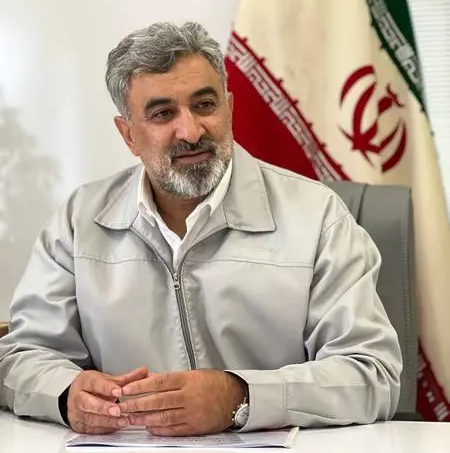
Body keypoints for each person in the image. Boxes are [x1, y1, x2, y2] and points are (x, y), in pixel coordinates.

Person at [0, 22, 402, 436]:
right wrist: (66, 394)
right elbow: (21, 357)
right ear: (128, 134)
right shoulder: (79, 221)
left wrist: (241, 398)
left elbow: (372, 375)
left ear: (229, 107)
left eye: (205, 105)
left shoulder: (317, 216)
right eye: (162, 114)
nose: (191, 132)